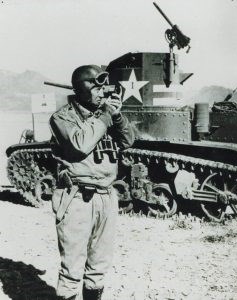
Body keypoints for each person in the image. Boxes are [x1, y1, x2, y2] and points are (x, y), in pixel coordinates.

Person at [49, 65, 135, 300]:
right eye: (97, 87)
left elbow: (128, 140)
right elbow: (80, 145)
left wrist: (116, 116)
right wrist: (106, 114)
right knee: (72, 269)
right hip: (77, 198)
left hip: (106, 197)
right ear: (81, 88)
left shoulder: (104, 114)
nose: (102, 92)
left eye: (103, 87)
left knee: (98, 267)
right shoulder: (63, 117)